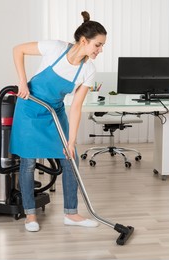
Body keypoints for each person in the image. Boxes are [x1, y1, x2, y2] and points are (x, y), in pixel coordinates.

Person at [10, 11, 107, 232]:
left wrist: (71, 141)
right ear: (84, 41)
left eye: (101, 46)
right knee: (29, 163)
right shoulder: (55, 48)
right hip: (29, 110)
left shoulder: (88, 70)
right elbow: (18, 50)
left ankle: (71, 214)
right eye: (98, 45)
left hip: (54, 111)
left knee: (70, 159)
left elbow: (76, 107)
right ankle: (30, 215)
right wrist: (22, 83)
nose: (100, 50)